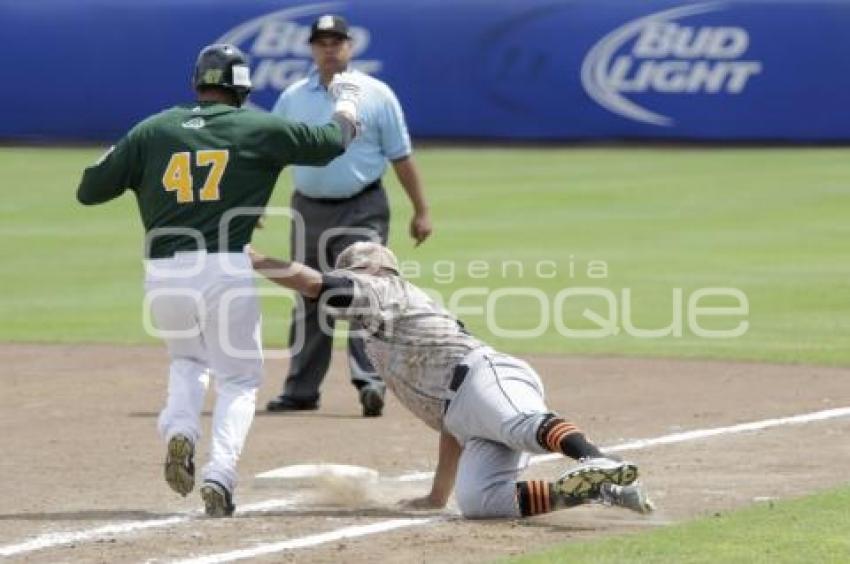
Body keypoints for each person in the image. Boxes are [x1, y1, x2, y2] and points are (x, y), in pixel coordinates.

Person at [76, 43, 362, 517]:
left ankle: (181, 431)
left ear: (198, 83)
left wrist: (121, 153)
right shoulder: (258, 126)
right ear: (243, 87)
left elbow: (89, 191)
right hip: (226, 267)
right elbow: (333, 141)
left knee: (187, 360)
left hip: (163, 272)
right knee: (239, 380)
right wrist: (347, 102)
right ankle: (219, 475)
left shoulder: (154, 128)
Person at [246, 242, 654, 519]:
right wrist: (437, 496)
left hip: (486, 376)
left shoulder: (384, 287)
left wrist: (252, 256)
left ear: (371, 270)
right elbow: (450, 421)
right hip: (463, 411)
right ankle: (596, 489)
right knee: (481, 503)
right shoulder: (378, 334)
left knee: (518, 425)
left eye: (351, 274)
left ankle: (598, 459)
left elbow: (314, 283)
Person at [267, 14, 432, 417]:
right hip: (307, 207)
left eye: (336, 40)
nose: (329, 47)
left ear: (349, 46)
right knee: (308, 296)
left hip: (363, 206)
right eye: (321, 41)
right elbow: (270, 151)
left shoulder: (376, 94)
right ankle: (302, 389)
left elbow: (401, 156)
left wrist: (421, 209)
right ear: (311, 47)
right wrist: (257, 202)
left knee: (362, 291)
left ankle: (370, 382)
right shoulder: (292, 97)